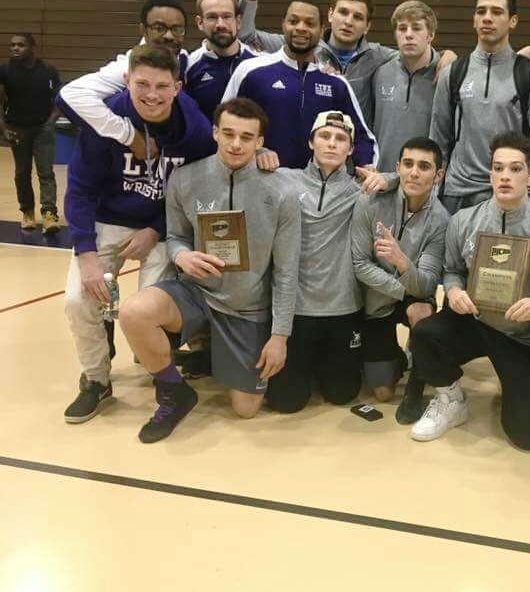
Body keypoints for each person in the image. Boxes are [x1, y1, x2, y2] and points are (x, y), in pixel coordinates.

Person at [118, 98, 300, 441]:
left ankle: (215, 353)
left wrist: (279, 337)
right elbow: (175, 237)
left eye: (247, 137)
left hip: (246, 307)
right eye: (228, 133)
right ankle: (174, 392)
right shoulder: (185, 179)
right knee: (133, 313)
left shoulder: (282, 192)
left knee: (245, 409)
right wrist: (182, 256)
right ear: (215, 132)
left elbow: (287, 271)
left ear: (260, 142)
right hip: (196, 293)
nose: (236, 144)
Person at [59, 45, 215, 424]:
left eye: (162, 86)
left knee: (151, 304)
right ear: (127, 80)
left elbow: (198, 189)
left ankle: (160, 373)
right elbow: (79, 189)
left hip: (161, 224)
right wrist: (87, 254)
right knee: (78, 299)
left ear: (177, 87)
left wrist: (156, 229)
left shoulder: (194, 128)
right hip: (107, 218)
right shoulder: (107, 117)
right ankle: (96, 379)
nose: (151, 95)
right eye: (142, 84)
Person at [409, 132, 530, 449]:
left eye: (515, 169)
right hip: (477, 321)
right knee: (425, 333)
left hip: (524, 336)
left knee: (527, 435)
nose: (505, 176)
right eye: (498, 168)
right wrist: (453, 291)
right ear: (490, 174)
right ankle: (451, 400)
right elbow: (452, 270)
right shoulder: (464, 220)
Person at [265, 110, 386, 413]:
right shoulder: (284, 180)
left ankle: (322, 365)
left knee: (342, 394)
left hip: (343, 309)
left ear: (350, 149)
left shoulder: (361, 191)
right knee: (286, 402)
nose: (332, 143)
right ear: (311, 142)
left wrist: (387, 178)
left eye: (341, 139)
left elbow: (407, 185)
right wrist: (259, 153)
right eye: (325, 136)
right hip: (297, 311)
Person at [430, 0, 530, 214]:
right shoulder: (453, 73)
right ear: (474, 20)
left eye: (497, 12)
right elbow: (437, 142)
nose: (487, 18)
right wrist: (431, 199)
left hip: (506, 194)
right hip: (456, 194)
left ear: (512, 21)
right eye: (481, 11)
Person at [351, 136, 449, 420]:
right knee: (382, 392)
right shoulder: (370, 201)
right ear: (397, 168)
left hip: (413, 294)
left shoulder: (441, 220)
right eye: (408, 164)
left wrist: (401, 261)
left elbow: (427, 284)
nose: (414, 172)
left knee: (422, 311)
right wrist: (400, 288)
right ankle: (398, 357)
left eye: (424, 166)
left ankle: (416, 383)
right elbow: (359, 264)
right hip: (376, 300)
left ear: (438, 175)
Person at [221, 0, 379, 170]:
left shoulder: (335, 83)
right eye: (294, 21)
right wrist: (256, 151)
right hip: (262, 179)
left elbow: (361, 137)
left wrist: (366, 168)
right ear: (283, 24)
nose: (301, 28)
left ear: (321, 30)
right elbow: (224, 125)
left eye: (310, 23)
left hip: (316, 185)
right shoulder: (251, 71)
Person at [237, 0, 396, 125]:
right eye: (343, 12)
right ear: (330, 15)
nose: (348, 21)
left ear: (367, 26)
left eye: (358, 17)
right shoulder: (300, 44)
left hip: (357, 140)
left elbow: (409, 55)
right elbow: (246, 36)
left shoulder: (378, 56)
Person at [58, 0, 191, 160]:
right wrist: (129, 136)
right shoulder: (127, 67)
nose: (169, 36)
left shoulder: (185, 59)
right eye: (159, 28)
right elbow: (70, 95)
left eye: (177, 29)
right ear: (143, 30)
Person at [369, 1, 442, 171]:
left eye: (416, 28)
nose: (408, 35)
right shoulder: (380, 73)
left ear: (430, 35)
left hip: (424, 178)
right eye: (402, 28)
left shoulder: (445, 75)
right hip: (381, 176)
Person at [0, 32, 62, 232]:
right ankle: (27, 212)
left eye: (20, 45)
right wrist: (4, 128)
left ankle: (49, 214)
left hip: (42, 128)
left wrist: (50, 123)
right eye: (13, 45)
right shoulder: (5, 71)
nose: (15, 48)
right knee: (22, 173)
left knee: (46, 172)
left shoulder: (48, 71)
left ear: (32, 47)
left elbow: (60, 100)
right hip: (17, 129)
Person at [184, 0, 257, 120]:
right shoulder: (188, 67)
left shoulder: (259, 63)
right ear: (200, 23)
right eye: (212, 17)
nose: (220, 24)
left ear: (238, 21)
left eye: (227, 16)